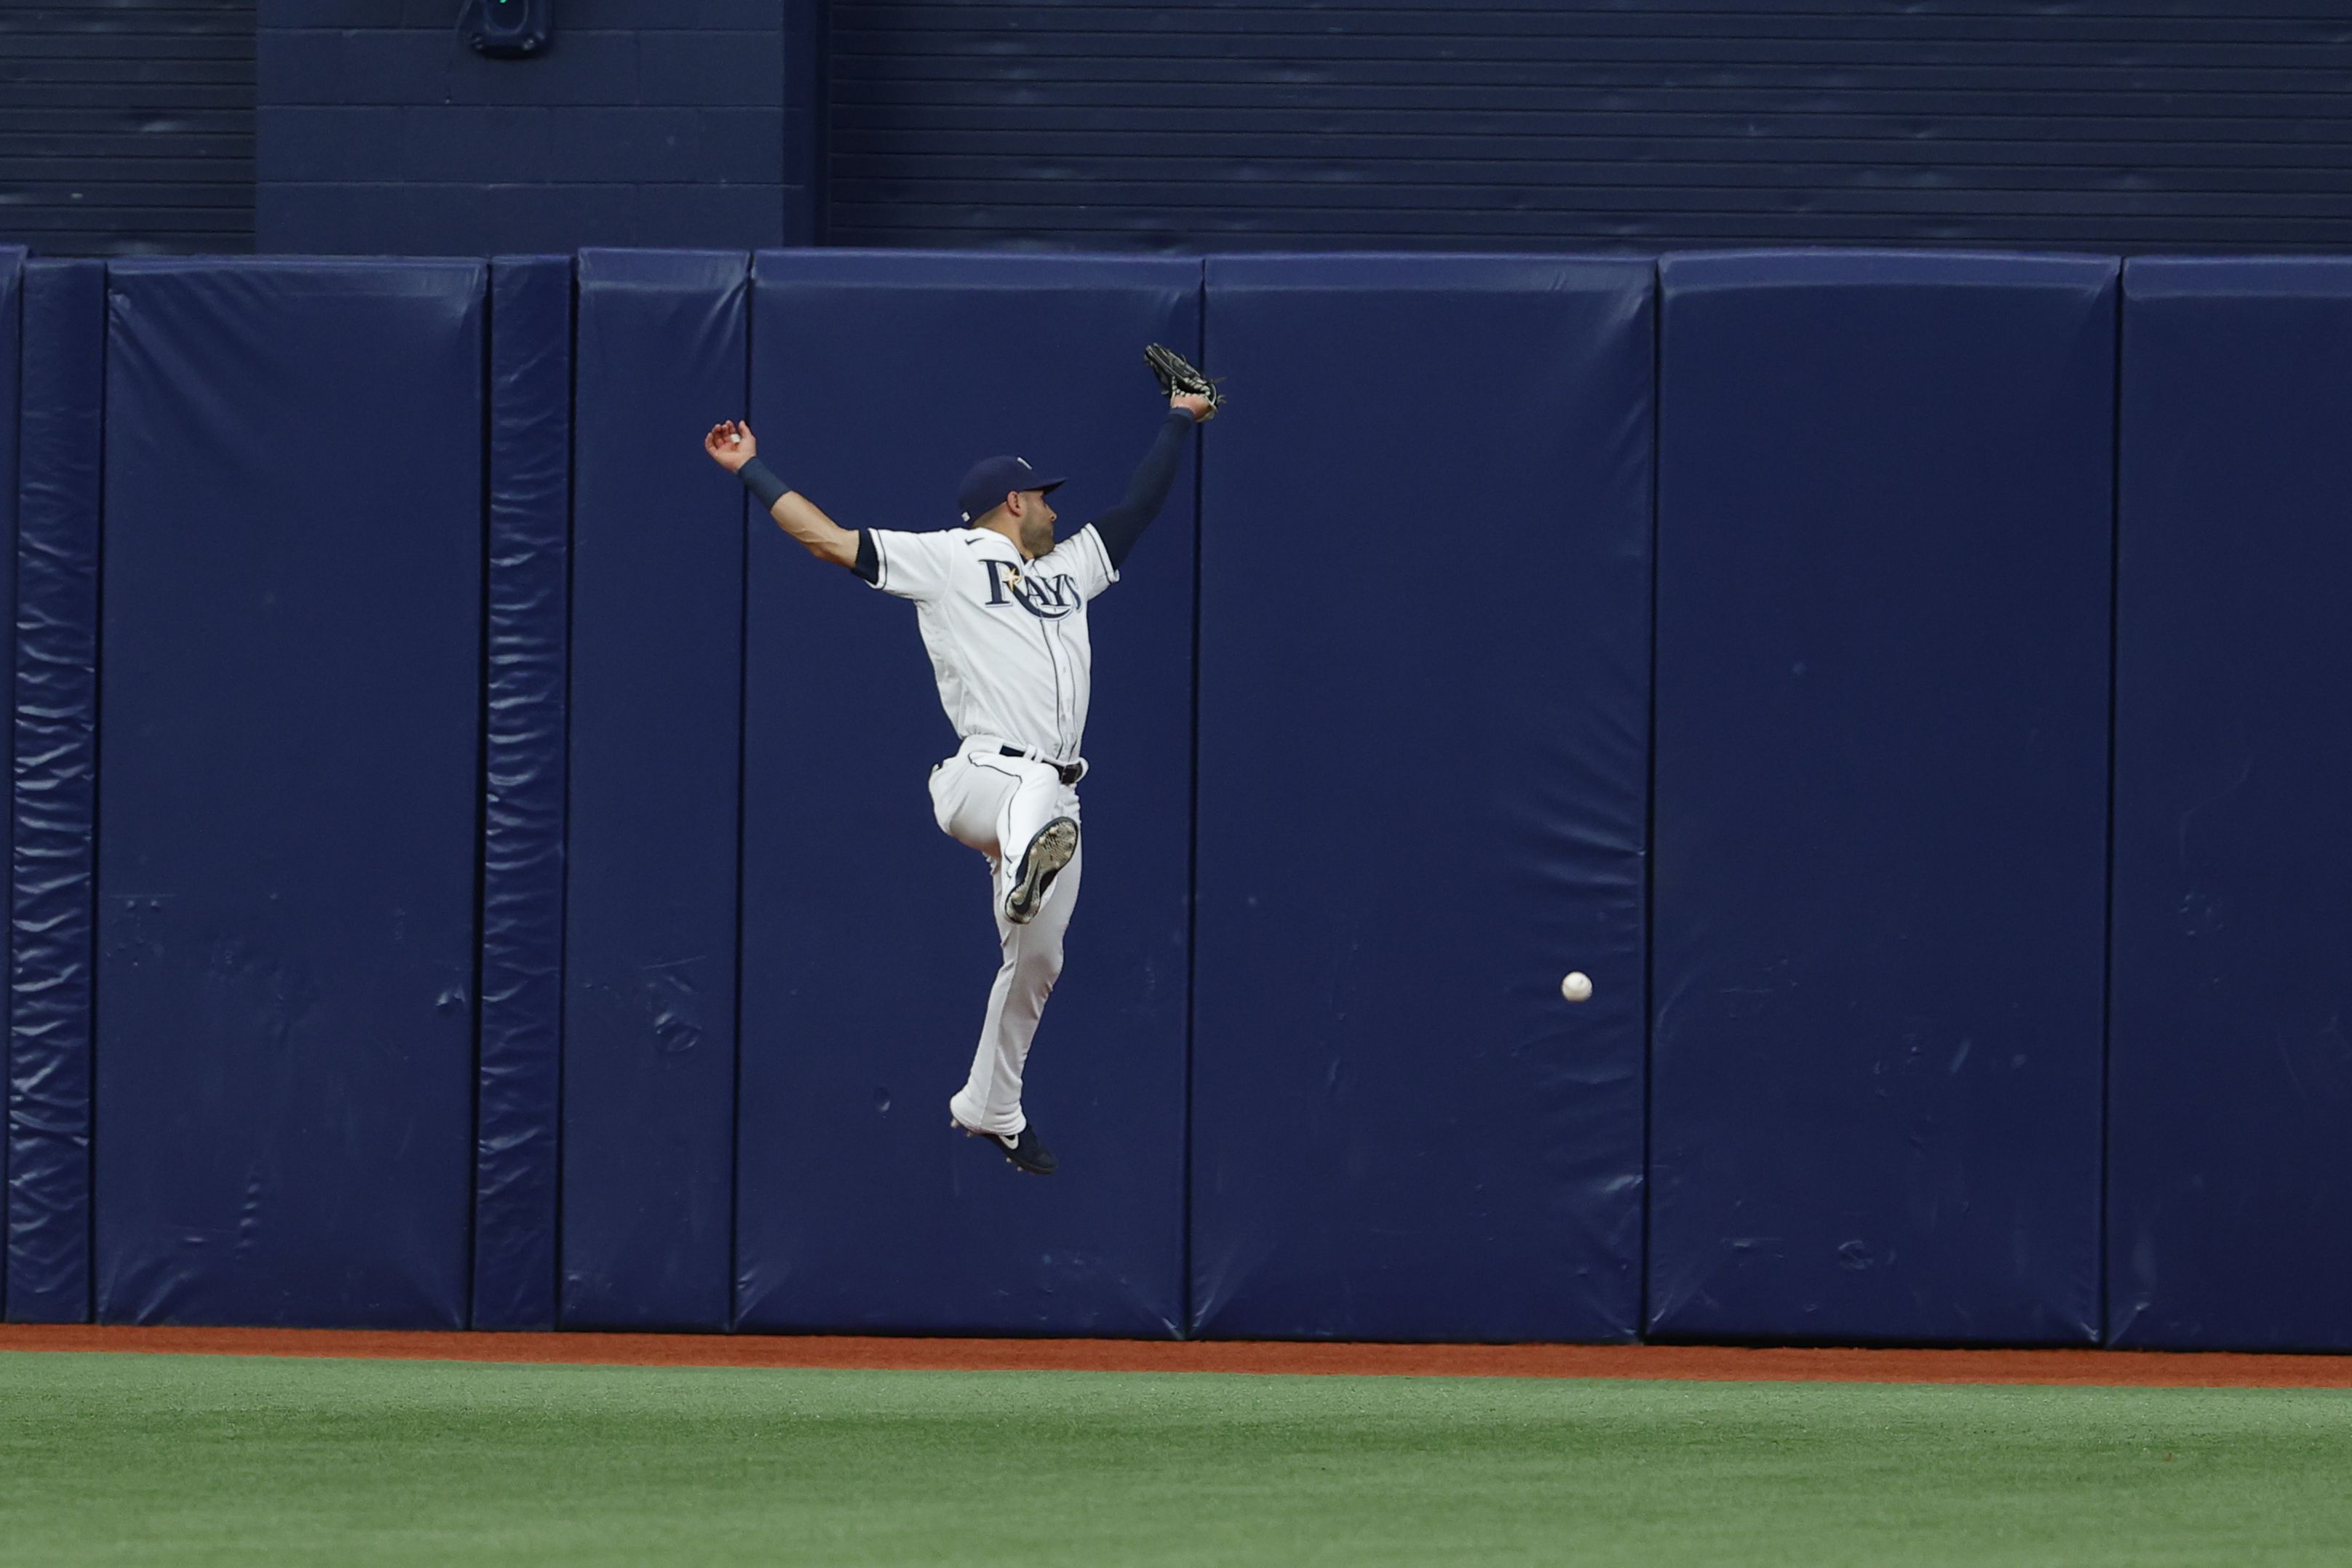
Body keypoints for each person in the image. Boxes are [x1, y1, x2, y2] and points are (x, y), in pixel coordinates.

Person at [702, 376, 1214, 1176]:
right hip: (983, 778)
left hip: (1056, 795)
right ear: (1013, 502)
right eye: (1043, 498)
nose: (1055, 510)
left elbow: (1138, 508)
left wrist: (1180, 419)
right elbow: (829, 540)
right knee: (1035, 797)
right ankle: (1024, 858)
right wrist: (750, 468)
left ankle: (990, 1105)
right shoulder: (946, 556)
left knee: (1040, 961)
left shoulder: (1070, 570)